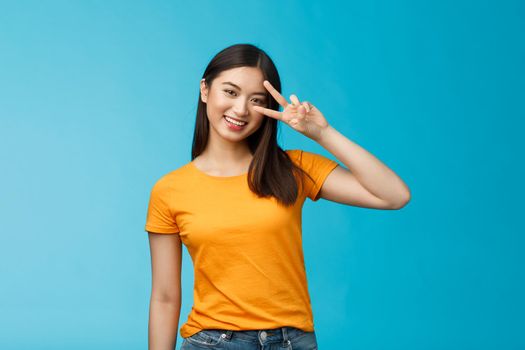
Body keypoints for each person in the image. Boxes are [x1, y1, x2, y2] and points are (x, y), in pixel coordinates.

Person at [144, 43, 411, 350]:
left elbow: (394, 195)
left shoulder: (293, 168)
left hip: (292, 342)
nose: (241, 110)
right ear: (205, 89)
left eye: (256, 100)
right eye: (230, 92)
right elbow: (165, 298)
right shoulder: (170, 190)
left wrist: (322, 134)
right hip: (214, 342)